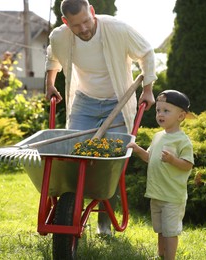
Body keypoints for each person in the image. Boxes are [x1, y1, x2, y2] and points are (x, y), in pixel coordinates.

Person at [44, 0, 157, 235]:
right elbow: (52, 57)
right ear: (66, 23)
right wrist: (50, 84)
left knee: (110, 164)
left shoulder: (117, 29)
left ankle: (104, 225)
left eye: (86, 20)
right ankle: (71, 213)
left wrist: (147, 89)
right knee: (73, 157)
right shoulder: (60, 37)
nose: (84, 28)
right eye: (76, 25)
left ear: (92, 11)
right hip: (85, 103)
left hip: (118, 101)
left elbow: (146, 53)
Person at [127, 90, 194, 260]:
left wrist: (172, 160)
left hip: (172, 196)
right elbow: (150, 158)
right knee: (161, 229)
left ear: (181, 116)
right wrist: (137, 150)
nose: (160, 114)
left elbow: (187, 165)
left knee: (170, 231)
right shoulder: (157, 137)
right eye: (158, 110)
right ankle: (161, 255)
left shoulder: (182, 141)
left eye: (166, 111)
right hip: (156, 193)